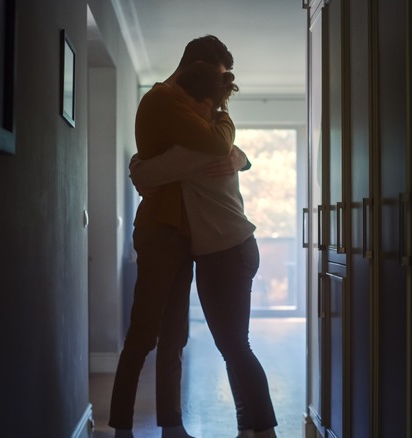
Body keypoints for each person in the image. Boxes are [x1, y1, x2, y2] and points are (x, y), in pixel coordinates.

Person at [129, 62, 278, 438]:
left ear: (205, 104)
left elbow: (144, 174)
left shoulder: (199, 148)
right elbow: (229, 149)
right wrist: (241, 156)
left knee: (235, 347)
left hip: (227, 252)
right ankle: (251, 429)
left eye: (187, 105)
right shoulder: (216, 140)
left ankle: (263, 430)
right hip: (231, 250)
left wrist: (136, 161)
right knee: (233, 347)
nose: (182, 114)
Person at [109, 35, 247, 438]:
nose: (220, 95)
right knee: (143, 334)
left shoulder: (182, 104)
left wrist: (241, 157)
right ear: (197, 70)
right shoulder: (164, 102)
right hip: (161, 230)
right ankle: (121, 427)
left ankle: (171, 426)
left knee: (175, 335)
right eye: (218, 84)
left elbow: (215, 154)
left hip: (182, 230)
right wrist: (229, 136)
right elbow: (214, 145)